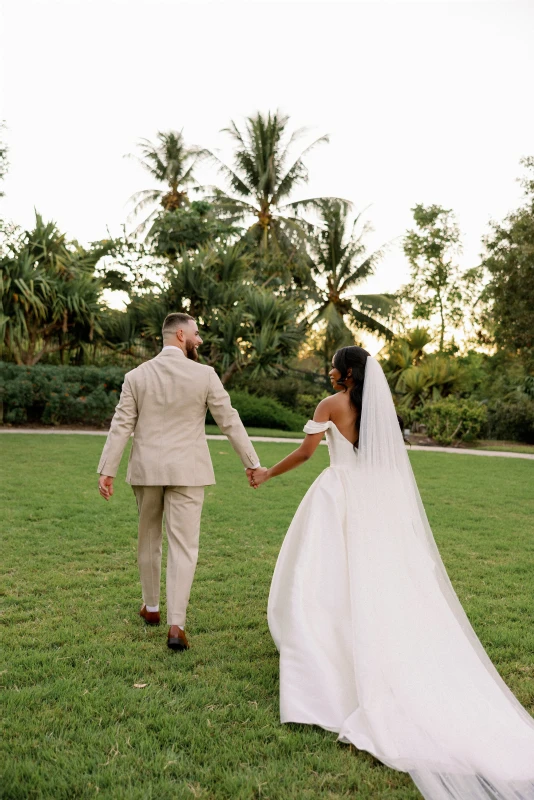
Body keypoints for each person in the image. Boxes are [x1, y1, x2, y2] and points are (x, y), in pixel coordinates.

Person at [250, 346, 534, 800]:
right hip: (376, 500)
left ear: (343, 373)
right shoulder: (378, 408)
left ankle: (323, 648)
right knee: (377, 576)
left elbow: (306, 454)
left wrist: (266, 474)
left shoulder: (331, 405)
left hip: (339, 493)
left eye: (332, 366)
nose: (327, 371)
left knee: (324, 576)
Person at [97, 312, 260, 651]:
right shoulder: (205, 375)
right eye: (197, 334)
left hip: (147, 469)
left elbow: (121, 425)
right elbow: (229, 421)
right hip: (189, 470)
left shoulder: (136, 376)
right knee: (184, 546)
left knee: (149, 539)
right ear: (181, 334)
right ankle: (177, 625)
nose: (199, 340)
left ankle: (152, 607)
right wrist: (251, 463)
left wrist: (107, 469)